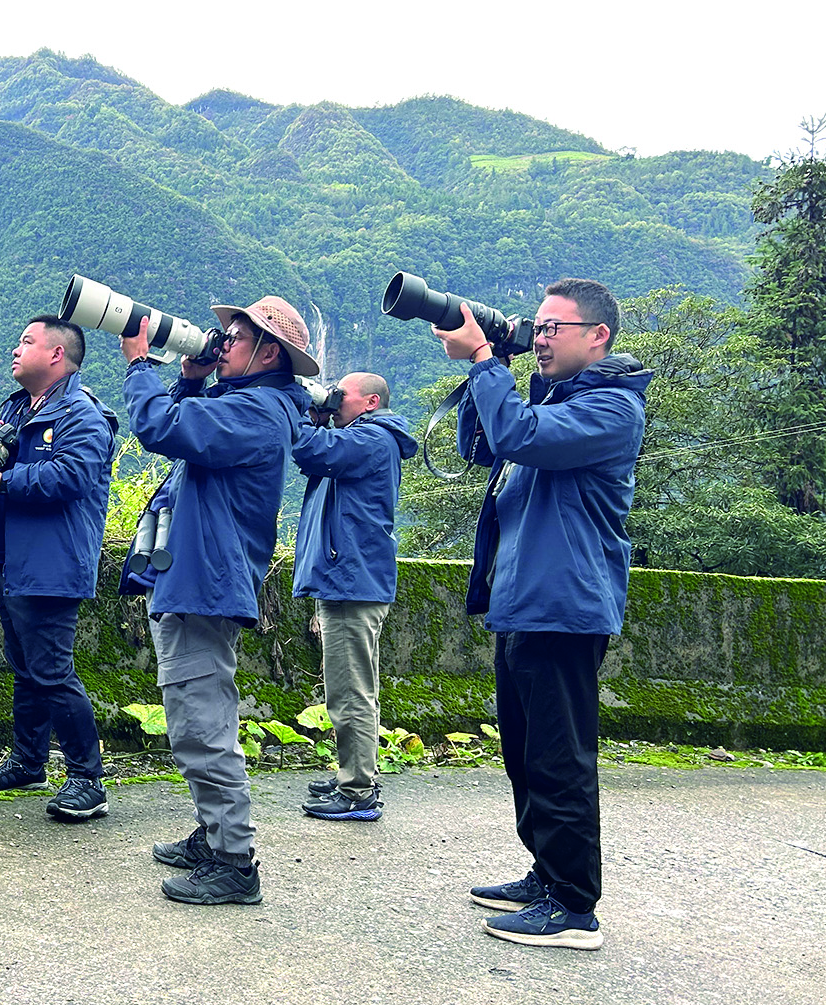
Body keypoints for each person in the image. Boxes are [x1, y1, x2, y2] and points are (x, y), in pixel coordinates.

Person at [435, 278, 649, 951]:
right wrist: (487, 369)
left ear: (598, 336)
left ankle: (574, 905)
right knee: (525, 756)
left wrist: (483, 363)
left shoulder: (612, 409)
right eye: (540, 325)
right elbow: (482, 446)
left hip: (566, 606)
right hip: (523, 603)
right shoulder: (552, 403)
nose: (542, 336)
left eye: (556, 326)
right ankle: (546, 872)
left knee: (559, 758)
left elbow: (519, 434)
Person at [120, 298, 314, 905]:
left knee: (201, 724)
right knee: (195, 716)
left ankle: (234, 860)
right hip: (193, 579)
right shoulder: (246, 405)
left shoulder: (258, 412)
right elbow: (186, 437)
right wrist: (186, 380)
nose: (221, 342)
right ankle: (213, 835)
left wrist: (139, 365)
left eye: (236, 336)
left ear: (268, 352)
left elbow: (161, 430)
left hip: (206, 586)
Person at [0, 317, 118, 820]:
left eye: (26, 342)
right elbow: (3, 456)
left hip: (52, 559)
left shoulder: (83, 414)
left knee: (52, 670)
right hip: (12, 552)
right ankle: (29, 762)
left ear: (56, 355)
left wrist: (3, 482)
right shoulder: (18, 406)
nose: (15, 349)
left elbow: (71, 476)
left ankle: (87, 779)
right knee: (25, 665)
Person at [292, 373, 418, 822]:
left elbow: (310, 451)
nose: (334, 397)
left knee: (351, 692)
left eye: (341, 393)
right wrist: (320, 415)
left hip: (353, 582)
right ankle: (355, 771)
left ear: (369, 402)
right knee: (352, 687)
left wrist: (295, 407)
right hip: (348, 578)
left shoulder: (371, 439)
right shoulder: (363, 438)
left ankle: (359, 791)